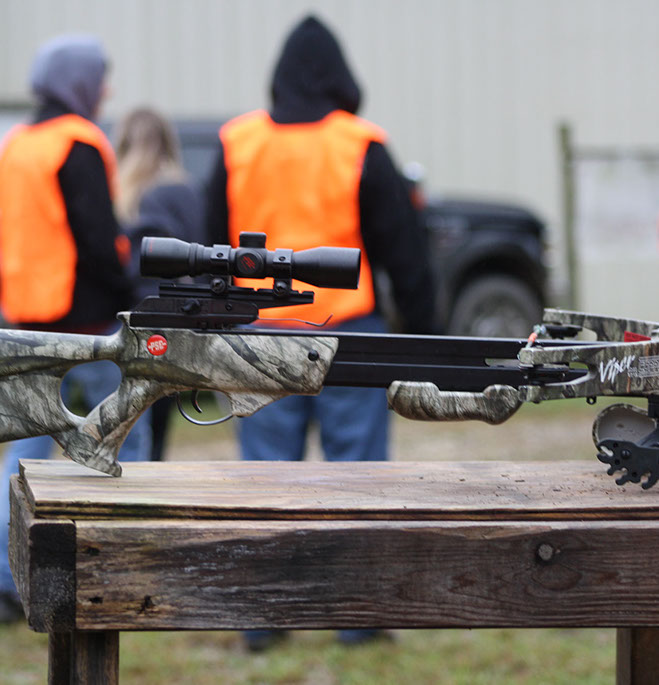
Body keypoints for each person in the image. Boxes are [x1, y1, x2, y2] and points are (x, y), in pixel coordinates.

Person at [206, 15, 436, 650]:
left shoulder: (237, 142)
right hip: (347, 335)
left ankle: (261, 620)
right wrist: (425, 334)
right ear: (342, 77)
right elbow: (405, 254)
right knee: (357, 477)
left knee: (264, 478)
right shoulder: (360, 144)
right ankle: (357, 618)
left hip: (257, 336)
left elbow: (208, 244)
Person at [0, 35, 151, 622]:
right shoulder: (79, 141)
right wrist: (130, 294)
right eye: (101, 77)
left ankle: (7, 579)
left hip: (28, 320)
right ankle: (130, 559)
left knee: (25, 451)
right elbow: (97, 239)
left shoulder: (17, 144)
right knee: (125, 435)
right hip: (89, 323)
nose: (106, 89)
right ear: (80, 81)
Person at [114, 107, 205, 460]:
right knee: (158, 429)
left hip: (138, 320)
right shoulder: (187, 189)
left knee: (131, 429)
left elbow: (135, 271)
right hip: (182, 319)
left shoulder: (131, 196)